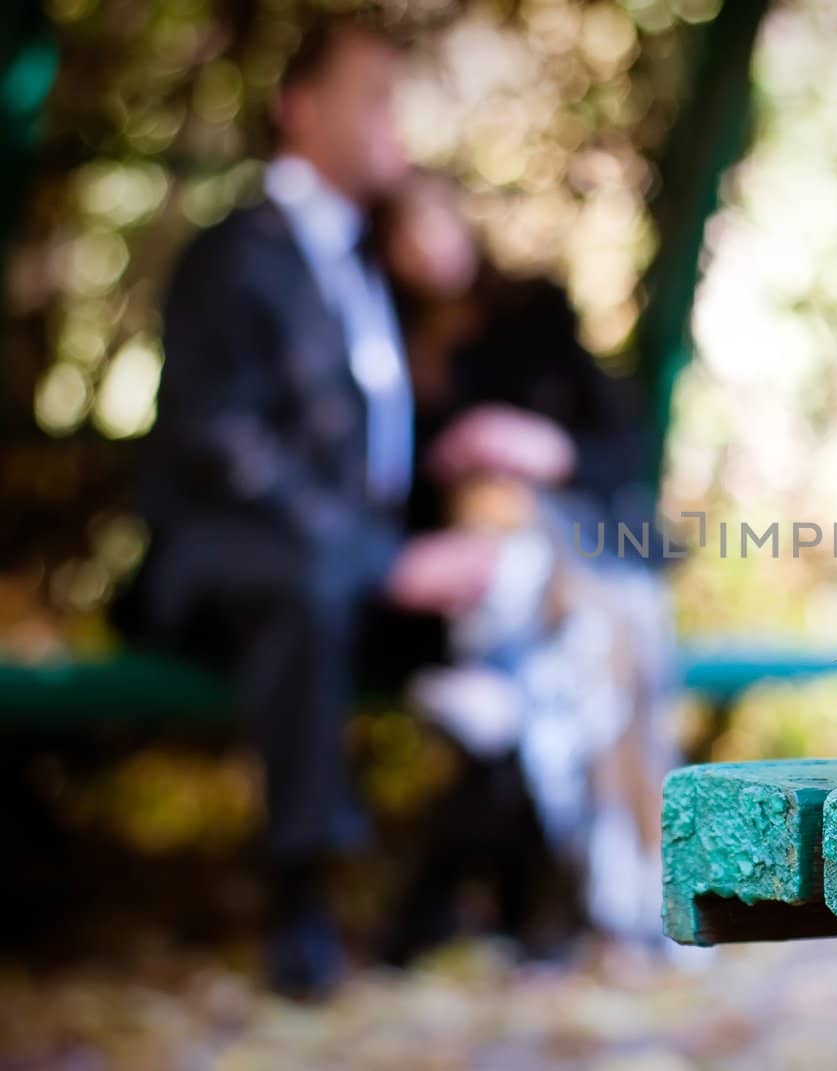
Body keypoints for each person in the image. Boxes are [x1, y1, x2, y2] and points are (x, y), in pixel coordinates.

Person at [136, 17, 500, 998]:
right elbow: (220, 447)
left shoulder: (377, 265)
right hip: (232, 562)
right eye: (374, 96)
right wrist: (383, 560)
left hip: (358, 561)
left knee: (510, 596)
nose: (396, 122)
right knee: (308, 586)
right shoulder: (232, 254)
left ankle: (461, 882)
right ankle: (300, 894)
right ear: (301, 111)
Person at [374, 173, 678, 959]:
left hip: (568, 569)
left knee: (588, 639)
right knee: (576, 636)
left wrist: (545, 450)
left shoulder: (534, 319)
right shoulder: (377, 346)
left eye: (432, 219)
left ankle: (612, 886)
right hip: (450, 591)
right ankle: (616, 896)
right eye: (401, 232)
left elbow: (621, 453)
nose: (424, 245)